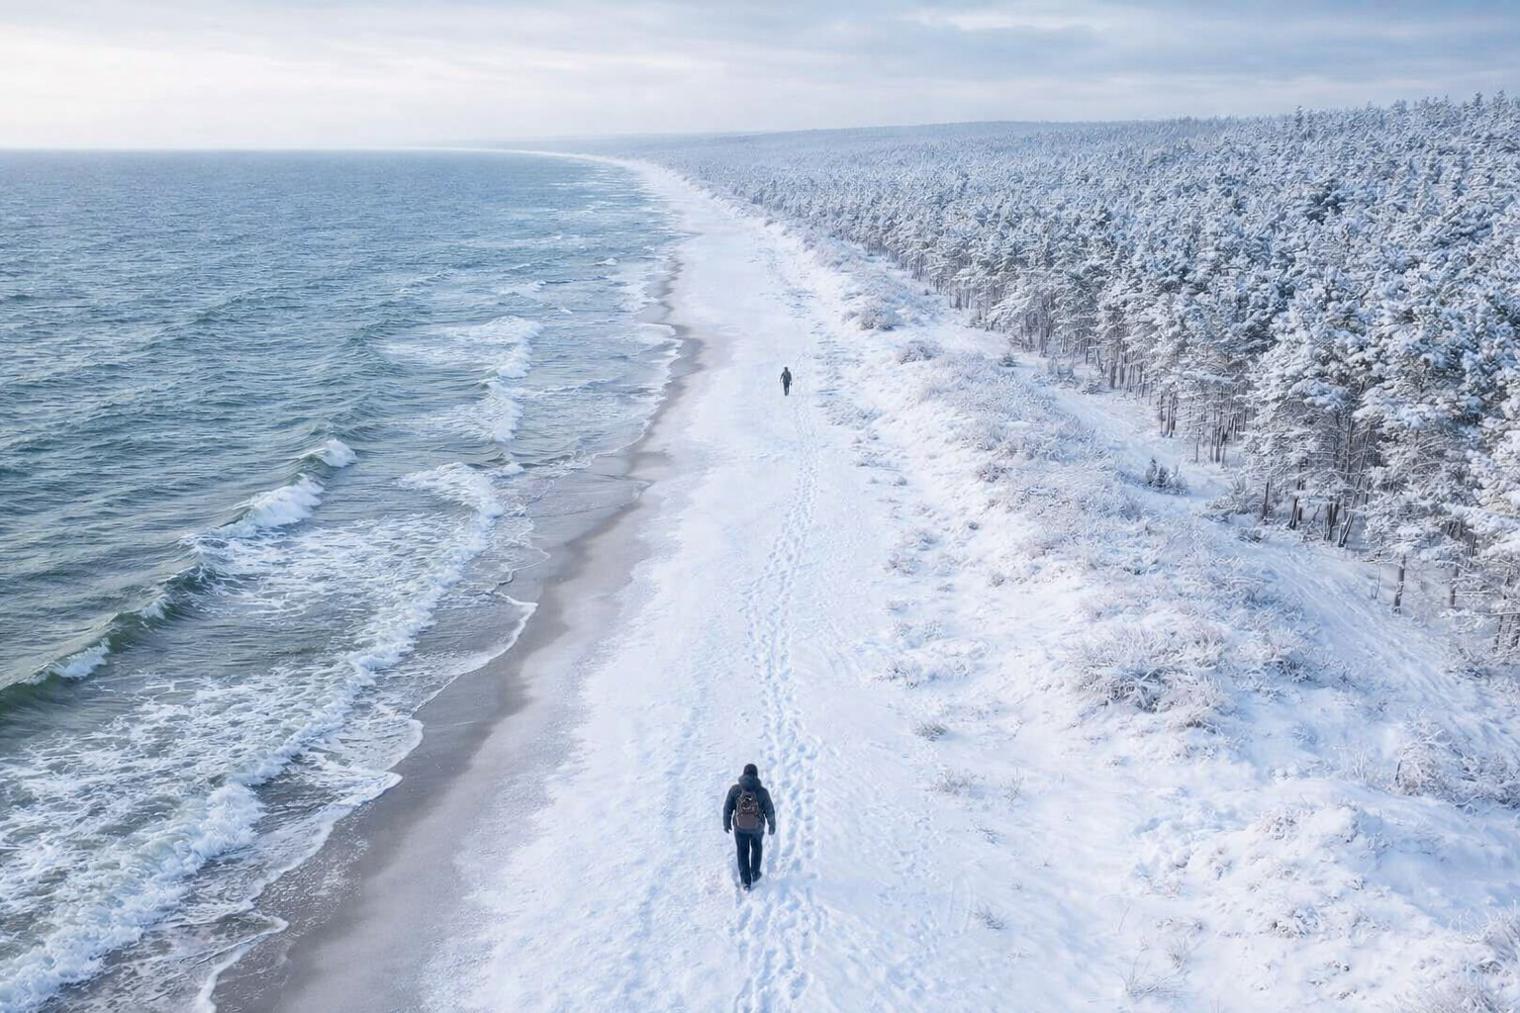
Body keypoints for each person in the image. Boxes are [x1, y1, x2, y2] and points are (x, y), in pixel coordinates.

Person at [723, 763, 776, 891]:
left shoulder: (735, 790)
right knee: (757, 848)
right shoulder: (762, 792)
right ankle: (755, 873)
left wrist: (726, 823)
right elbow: (769, 810)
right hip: (757, 828)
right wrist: (772, 825)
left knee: (742, 852)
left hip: (740, 828)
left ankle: (745, 882)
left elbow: (727, 808)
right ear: (756, 775)